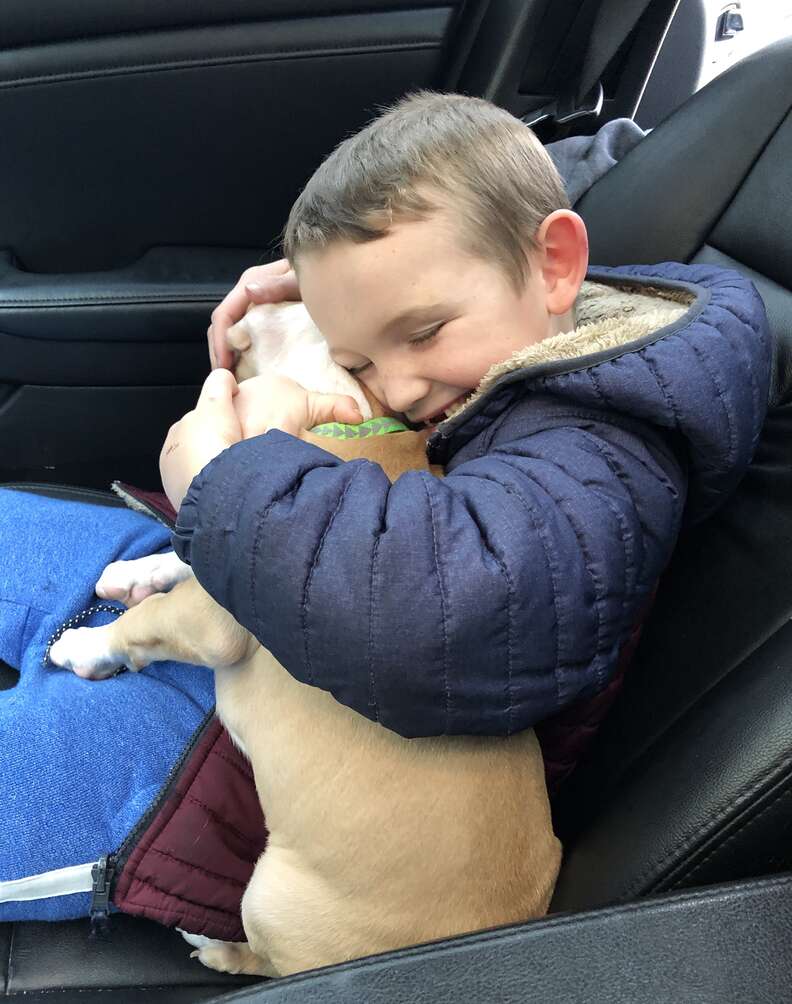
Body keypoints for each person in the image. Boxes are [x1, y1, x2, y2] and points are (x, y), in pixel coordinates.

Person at [160, 91, 773, 738]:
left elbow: (441, 629)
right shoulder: (538, 335)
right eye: (361, 362)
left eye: (423, 332)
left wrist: (221, 483)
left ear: (556, 263)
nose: (395, 392)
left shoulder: (604, 439)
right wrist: (347, 297)